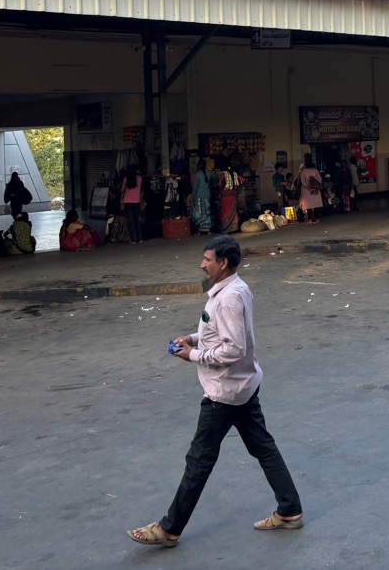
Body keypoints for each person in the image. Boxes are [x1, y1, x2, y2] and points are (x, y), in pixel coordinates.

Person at [126, 235, 304, 548]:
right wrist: (193, 339)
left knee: (199, 460)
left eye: (207, 259)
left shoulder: (230, 297)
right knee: (263, 447)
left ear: (223, 263)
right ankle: (290, 509)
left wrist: (193, 355)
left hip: (224, 392)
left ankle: (169, 528)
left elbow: (234, 348)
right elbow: (220, 333)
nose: (202, 264)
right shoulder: (234, 289)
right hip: (243, 386)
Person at [121, 166, 144, 244]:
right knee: (137, 219)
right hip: (136, 201)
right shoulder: (140, 178)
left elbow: (122, 189)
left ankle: (134, 239)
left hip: (127, 201)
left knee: (131, 220)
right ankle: (140, 238)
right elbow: (141, 189)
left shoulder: (126, 178)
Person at [297, 158, 323, 224]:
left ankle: (310, 219)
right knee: (316, 204)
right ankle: (317, 218)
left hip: (307, 190)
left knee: (309, 205)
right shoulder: (315, 171)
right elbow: (320, 180)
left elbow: (303, 182)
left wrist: (308, 188)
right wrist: (316, 187)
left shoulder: (303, 172)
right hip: (316, 189)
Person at [192, 160, 215, 233]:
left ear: (199, 166)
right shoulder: (209, 173)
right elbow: (216, 178)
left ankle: (200, 230)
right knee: (207, 212)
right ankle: (208, 230)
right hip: (207, 195)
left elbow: (195, 188)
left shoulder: (197, 175)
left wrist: (192, 198)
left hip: (199, 196)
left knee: (199, 213)